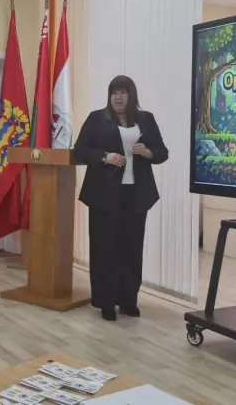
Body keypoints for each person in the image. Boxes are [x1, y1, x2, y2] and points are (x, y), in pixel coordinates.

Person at [73, 75, 169, 321]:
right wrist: (105, 157)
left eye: (123, 92)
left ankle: (128, 301)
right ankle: (106, 303)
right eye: (114, 92)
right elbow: (80, 151)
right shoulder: (97, 119)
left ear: (131, 95)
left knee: (132, 249)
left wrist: (147, 152)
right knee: (105, 249)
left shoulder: (146, 119)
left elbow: (162, 153)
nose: (118, 97)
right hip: (104, 196)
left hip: (136, 195)